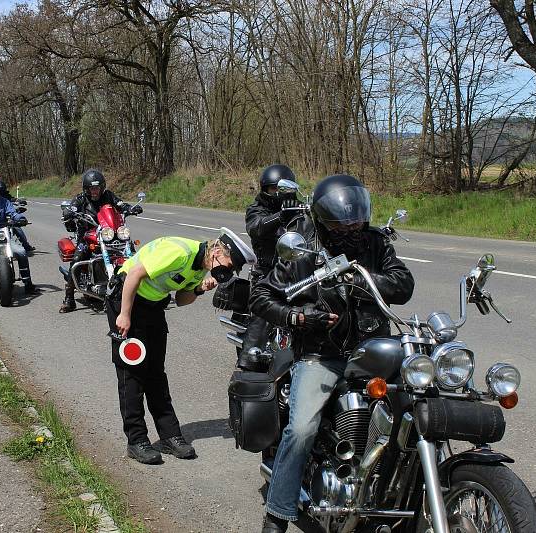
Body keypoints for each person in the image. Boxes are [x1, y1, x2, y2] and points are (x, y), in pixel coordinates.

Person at [248, 174, 415, 532]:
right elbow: (262, 297)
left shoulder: (375, 243)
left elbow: (403, 284)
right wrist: (298, 316)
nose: (352, 227)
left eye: (356, 219)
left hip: (372, 351)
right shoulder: (304, 249)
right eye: (343, 222)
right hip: (322, 354)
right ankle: (277, 515)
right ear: (324, 220)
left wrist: (360, 280)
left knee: (415, 405)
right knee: (302, 429)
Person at [106, 229, 255, 464]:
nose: (227, 270)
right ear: (217, 250)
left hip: (153, 308)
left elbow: (182, 301)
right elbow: (134, 274)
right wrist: (124, 315)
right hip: (127, 300)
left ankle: (170, 435)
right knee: (132, 373)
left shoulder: (201, 268)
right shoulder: (179, 252)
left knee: (156, 373)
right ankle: (136, 440)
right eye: (229, 264)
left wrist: (198, 289)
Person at [242, 165, 313, 368]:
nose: (278, 194)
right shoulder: (257, 209)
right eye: (274, 190)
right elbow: (256, 227)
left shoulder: (301, 210)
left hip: (299, 271)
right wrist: (280, 216)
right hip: (268, 272)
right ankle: (249, 362)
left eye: (282, 190)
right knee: (262, 311)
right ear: (265, 189)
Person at [59, 168, 143, 313]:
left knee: (130, 249)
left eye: (97, 188)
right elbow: (71, 209)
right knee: (78, 258)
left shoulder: (108, 195)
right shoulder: (80, 199)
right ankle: (69, 298)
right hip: (87, 235)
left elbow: (120, 204)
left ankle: (140, 290)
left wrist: (130, 208)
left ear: (102, 187)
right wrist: (69, 212)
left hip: (109, 233)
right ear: (86, 189)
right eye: (91, 188)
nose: (95, 191)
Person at [0, 177, 35, 252]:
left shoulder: (5, 196)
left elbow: (11, 199)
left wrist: (18, 200)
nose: (0, 193)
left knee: (17, 228)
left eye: (2, 190)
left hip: (6, 217)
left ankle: (26, 246)